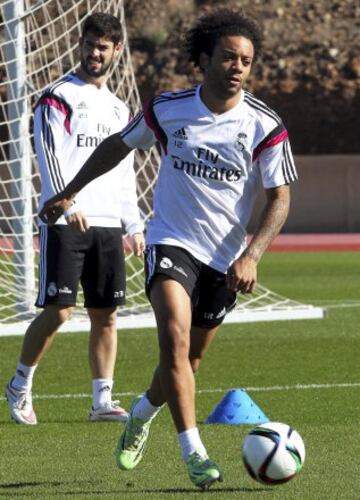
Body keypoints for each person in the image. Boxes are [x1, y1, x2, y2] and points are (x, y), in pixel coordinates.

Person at [39, 8, 297, 490]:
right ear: (204, 59)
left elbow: (280, 197)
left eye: (246, 60)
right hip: (171, 241)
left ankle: (141, 413)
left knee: (189, 362)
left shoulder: (265, 124)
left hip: (224, 259)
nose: (238, 66)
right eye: (228, 57)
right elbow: (117, 146)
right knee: (174, 341)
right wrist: (70, 189)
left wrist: (252, 254)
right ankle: (194, 453)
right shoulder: (168, 108)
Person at [5, 13, 145, 426]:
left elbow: (125, 170)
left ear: (116, 51)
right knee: (60, 311)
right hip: (65, 221)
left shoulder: (121, 109)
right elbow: (46, 157)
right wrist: (66, 203)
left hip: (107, 224)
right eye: (89, 44)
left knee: (107, 314)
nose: (95, 53)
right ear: (80, 45)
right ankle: (19, 384)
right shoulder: (57, 96)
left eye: (103, 46)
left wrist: (132, 224)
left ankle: (102, 400)